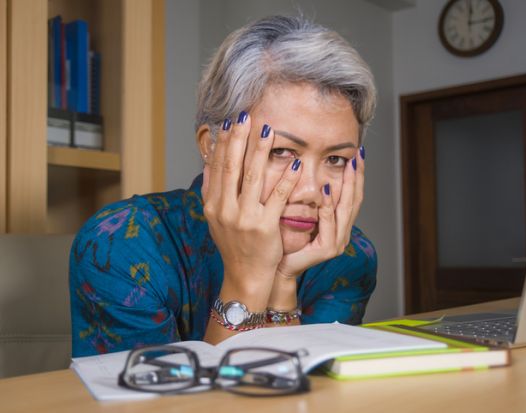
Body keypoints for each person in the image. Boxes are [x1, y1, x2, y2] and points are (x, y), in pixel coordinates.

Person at [69, 14, 378, 357]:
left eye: (335, 159)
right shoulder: (121, 244)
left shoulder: (347, 259)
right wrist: (249, 279)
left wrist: (283, 281)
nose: (309, 191)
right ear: (211, 146)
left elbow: (301, 397)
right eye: (280, 151)